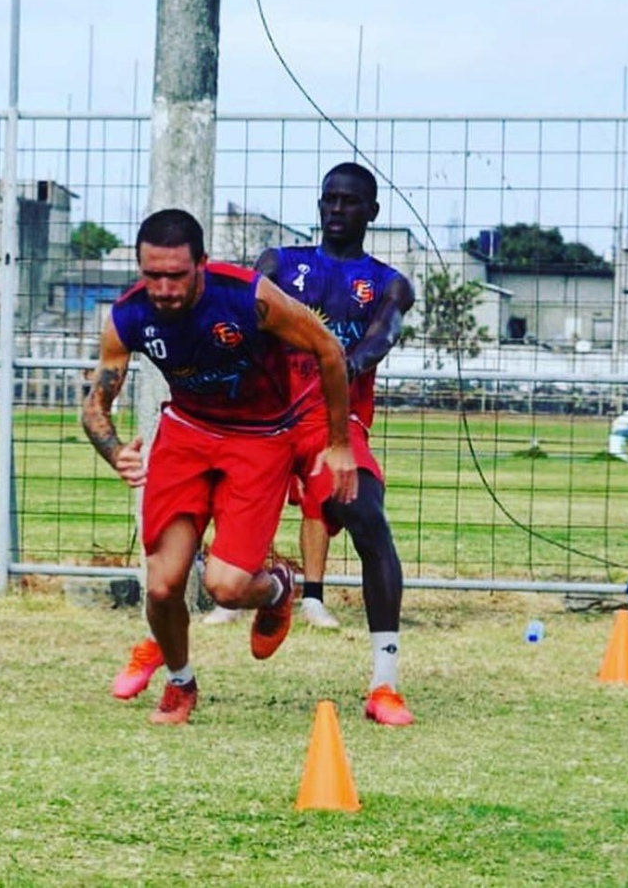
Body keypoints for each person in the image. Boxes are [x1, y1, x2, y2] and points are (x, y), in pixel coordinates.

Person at [114, 163, 418, 726]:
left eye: (349, 201)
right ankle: (163, 638)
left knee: (363, 512)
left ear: (371, 211)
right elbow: (232, 324)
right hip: (258, 420)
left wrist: (326, 369)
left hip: (329, 417)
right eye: (328, 199)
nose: (335, 209)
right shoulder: (280, 264)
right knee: (183, 532)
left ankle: (385, 681)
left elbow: (373, 345)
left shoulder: (390, 284)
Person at [84, 208, 357, 725]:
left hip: (259, 441)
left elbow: (328, 350)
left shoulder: (249, 298)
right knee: (163, 585)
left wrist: (339, 443)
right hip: (186, 436)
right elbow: (95, 405)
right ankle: (180, 685)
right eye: (152, 275)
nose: (162, 288)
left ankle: (278, 585)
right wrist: (114, 449)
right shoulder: (128, 317)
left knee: (227, 587)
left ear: (202, 265)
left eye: (176, 275)